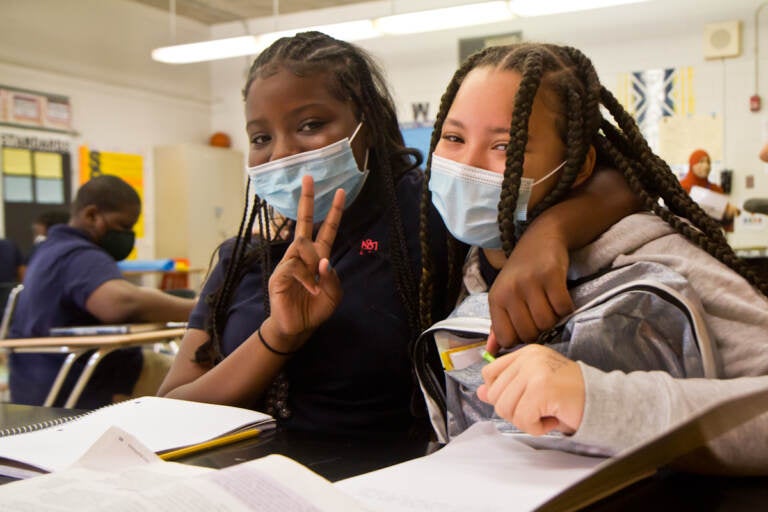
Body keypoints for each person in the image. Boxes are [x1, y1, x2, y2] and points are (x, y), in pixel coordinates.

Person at [157, 31, 636, 436]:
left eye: (310, 124)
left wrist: (547, 234)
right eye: (261, 137)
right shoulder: (240, 257)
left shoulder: (433, 215)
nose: (281, 152)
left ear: (367, 122)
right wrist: (279, 334)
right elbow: (171, 406)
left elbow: (623, 179)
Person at [417, 42, 768, 474]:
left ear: (577, 167)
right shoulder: (465, 269)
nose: (468, 166)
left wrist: (595, 401)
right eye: (453, 138)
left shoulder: (657, 257)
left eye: (506, 147)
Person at [8, 175, 196, 408]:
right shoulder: (80, 254)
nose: (128, 236)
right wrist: (198, 309)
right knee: (208, 383)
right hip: (87, 383)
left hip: (34, 385)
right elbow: (120, 303)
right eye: (123, 226)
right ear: (91, 215)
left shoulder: (47, 250)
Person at [679, 149, 739, 228]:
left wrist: (729, 215)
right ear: (692, 164)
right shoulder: (682, 187)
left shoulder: (716, 189)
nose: (706, 166)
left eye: (708, 162)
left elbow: (726, 225)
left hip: (712, 235)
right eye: (701, 161)